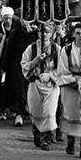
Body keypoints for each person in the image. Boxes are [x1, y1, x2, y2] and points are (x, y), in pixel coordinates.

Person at [21, 20, 60, 149]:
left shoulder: (56, 49)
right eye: (42, 32)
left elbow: (62, 68)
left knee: (49, 112)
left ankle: (46, 139)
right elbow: (24, 65)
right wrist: (36, 60)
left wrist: (51, 76)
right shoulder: (31, 48)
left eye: (47, 32)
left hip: (51, 85)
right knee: (36, 110)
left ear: (52, 34)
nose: (44, 35)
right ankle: (37, 135)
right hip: (35, 83)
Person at [55, 23, 81, 159]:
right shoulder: (67, 49)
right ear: (73, 34)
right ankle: (70, 142)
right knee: (71, 114)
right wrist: (73, 81)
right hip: (71, 86)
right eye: (78, 33)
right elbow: (62, 69)